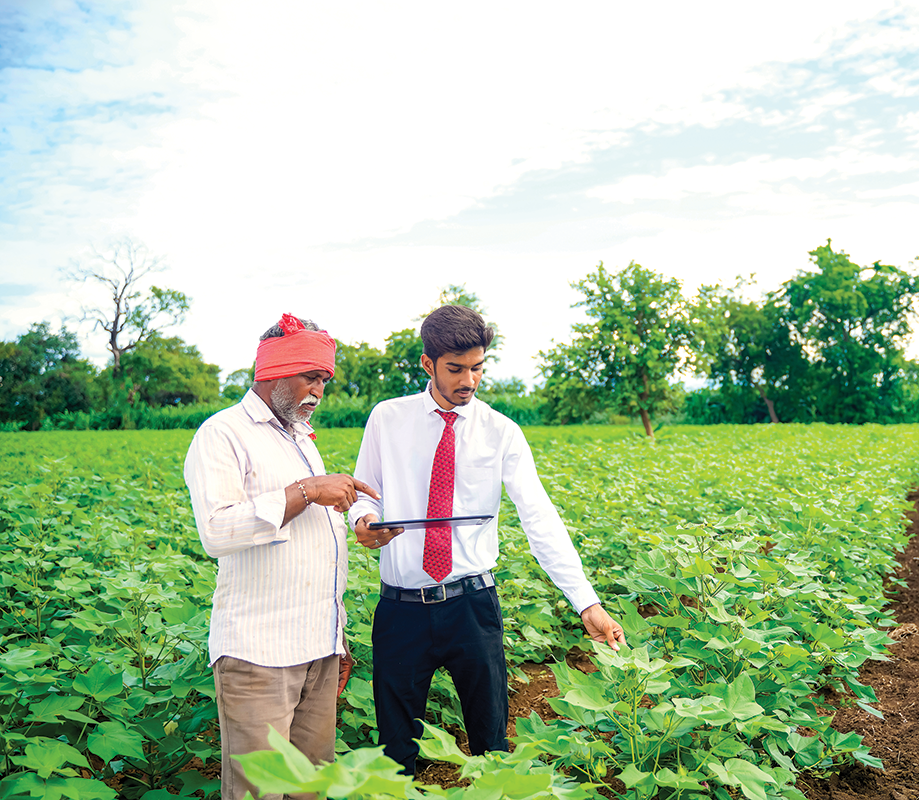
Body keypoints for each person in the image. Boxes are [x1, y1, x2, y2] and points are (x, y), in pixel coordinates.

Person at [348, 304, 625, 775]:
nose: (469, 380)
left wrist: (586, 602)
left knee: (492, 747)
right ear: (427, 363)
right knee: (395, 755)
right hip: (401, 611)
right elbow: (363, 492)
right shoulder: (387, 419)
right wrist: (365, 522)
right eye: (456, 369)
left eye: (477, 368)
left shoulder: (502, 432)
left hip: (471, 606)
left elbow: (539, 517)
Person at [184, 314, 381, 800]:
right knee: (261, 792)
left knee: (310, 788)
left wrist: (336, 640)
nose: (319, 391)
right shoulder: (223, 433)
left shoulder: (298, 438)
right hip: (259, 656)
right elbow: (218, 530)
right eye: (310, 377)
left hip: (317, 649)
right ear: (272, 371)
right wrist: (308, 490)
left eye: (325, 380)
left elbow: (311, 544)